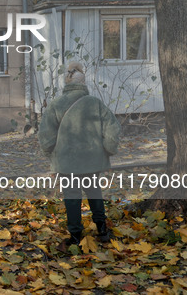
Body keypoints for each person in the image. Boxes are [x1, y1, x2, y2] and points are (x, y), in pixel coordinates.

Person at [38, 61, 121, 246]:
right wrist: (109, 149)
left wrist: (51, 155)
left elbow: (45, 136)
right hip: (92, 160)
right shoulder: (95, 103)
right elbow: (113, 128)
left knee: (72, 197)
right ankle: (102, 229)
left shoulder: (56, 104)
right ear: (83, 83)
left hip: (68, 163)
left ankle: (75, 236)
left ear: (67, 83)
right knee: (94, 192)